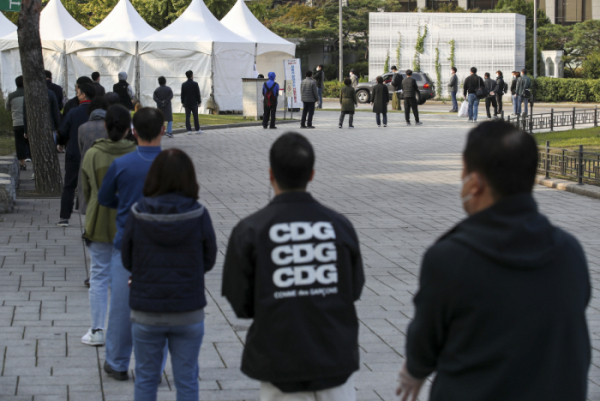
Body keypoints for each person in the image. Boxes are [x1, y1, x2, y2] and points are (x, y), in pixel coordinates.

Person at [396, 119, 590, 401]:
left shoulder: (451, 257)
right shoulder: (569, 250)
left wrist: (414, 371)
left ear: (474, 182)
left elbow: (426, 340)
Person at [222, 132, 365, 401]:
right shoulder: (340, 226)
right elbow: (353, 289)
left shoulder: (250, 230)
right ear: (311, 174)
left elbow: (240, 301)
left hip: (279, 361)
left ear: (270, 174)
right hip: (334, 360)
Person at [122, 148, 217, 401]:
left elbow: (127, 258)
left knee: (145, 379)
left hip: (146, 309)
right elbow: (209, 259)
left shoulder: (137, 213)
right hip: (188, 309)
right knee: (187, 380)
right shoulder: (199, 214)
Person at [98, 107, 165, 382]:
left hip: (128, 244)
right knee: (159, 311)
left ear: (133, 131)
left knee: (121, 310)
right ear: (163, 130)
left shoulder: (122, 164)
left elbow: (104, 198)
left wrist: (124, 205)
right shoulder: (173, 163)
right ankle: (152, 369)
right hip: (164, 246)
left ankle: (117, 362)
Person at [80, 105, 136, 347]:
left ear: (105, 125)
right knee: (123, 280)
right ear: (127, 129)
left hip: (99, 221)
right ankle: (121, 329)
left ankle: (97, 329)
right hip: (128, 224)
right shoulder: (136, 153)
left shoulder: (93, 154)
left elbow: (87, 190)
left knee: (99, 276)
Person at [57, 83, 96, 227]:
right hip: (94, 154)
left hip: (74, 152)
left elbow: (62, 131)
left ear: (83, 95)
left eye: (78, 92)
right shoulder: (99, 113)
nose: (77, 95)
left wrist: (61, 143)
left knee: (69, 186)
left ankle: (64, 217)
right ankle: (90, 218)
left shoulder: (73, 112)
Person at [77, 96, 110, 215]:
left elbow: (81, 149)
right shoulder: (110, 127)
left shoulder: (82, 128)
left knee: (88, 200)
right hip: (107, 166)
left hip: (87, 166)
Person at [6, 76, 27, 170]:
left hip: (17, 123)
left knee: (19, 143)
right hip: (29, 123)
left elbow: (7, 108)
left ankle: (22, 163)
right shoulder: (29, 94)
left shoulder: (11, 96)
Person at [181, 70, 202, 134]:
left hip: (187, 102)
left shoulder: (184, 84)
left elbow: (182, 94)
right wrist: (199, 101)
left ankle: (189, 130)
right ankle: (197, 129)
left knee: (187, 116)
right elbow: (197, 93)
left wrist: (183, 102)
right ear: (192, 76)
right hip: (194, 102)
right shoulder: (195, 84)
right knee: (195, 116)